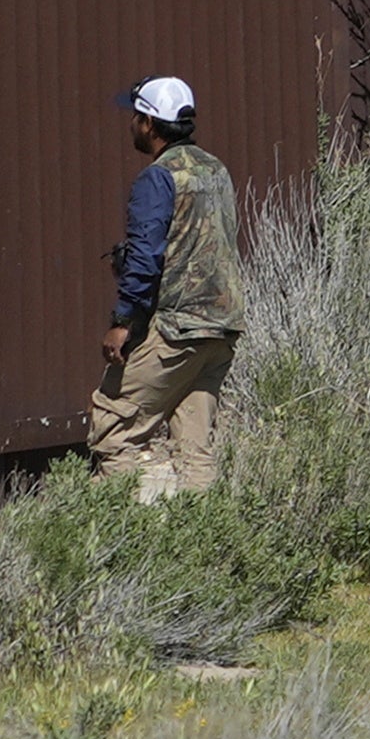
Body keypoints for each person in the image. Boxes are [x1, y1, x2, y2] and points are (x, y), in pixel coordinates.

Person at [86, 76, 244, 500]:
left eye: (136, 117)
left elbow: (145, 257)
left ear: (150, 124)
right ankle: (205, 541)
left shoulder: (157, 179)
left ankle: (119, 536)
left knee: (112, 425)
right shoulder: (215, 168)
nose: (132, 124)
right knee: (195, 447)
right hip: (222, 328)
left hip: (177, 328)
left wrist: (123, 321)